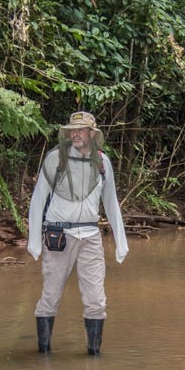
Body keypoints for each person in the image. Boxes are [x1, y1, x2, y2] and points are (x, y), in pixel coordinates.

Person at [27, 111, 129, 355]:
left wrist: (121, 242)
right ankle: (44, 353)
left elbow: (111, 202)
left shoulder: (103, 163)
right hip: (58, 236)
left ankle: (94, 357)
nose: (75, 134)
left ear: (92, 134)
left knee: (96, 301)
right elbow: (38, 199)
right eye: (72, 130)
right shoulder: (55, 159)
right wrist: (34, 242)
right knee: (50, 297)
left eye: (80, 130)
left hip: (91, 237)